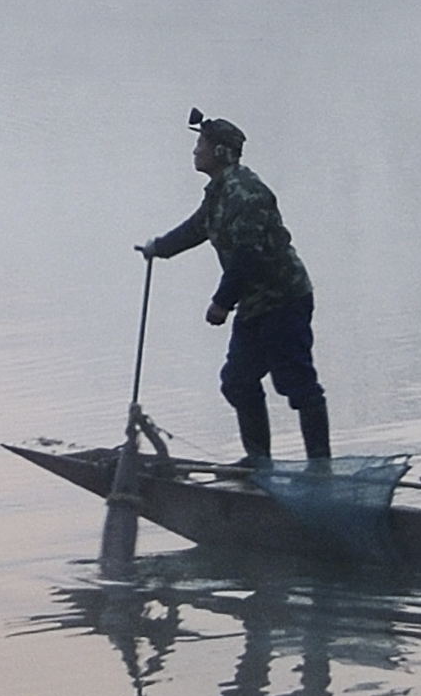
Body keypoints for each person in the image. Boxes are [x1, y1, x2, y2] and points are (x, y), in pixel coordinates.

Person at [139, 110, 329, 463]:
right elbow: (198, 227)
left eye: (202, 145)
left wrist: (221, 303)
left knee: (298, 385)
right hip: (256, 303)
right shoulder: (220, 192)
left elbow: (247, 256)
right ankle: (259, 462)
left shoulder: (247, 194)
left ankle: (321, 467)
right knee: (238, 381)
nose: (196, 151)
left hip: (284, 300)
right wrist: (159, 248)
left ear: (222, 153)